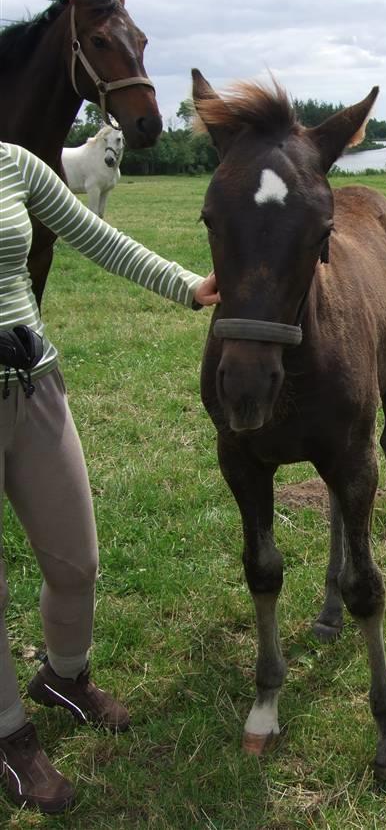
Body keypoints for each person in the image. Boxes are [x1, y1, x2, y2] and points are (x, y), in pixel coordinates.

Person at [0, 141, 219, 813]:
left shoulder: (11, 162)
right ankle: (10, 737)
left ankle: (65, 677)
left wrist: (187, 284)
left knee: (77, 561)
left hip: (33, 383)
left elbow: (93, 234)